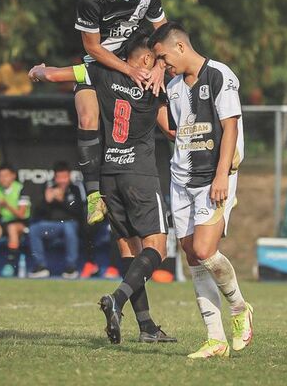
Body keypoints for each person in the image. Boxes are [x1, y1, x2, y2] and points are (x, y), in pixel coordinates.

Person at [29, 33, 176, 344]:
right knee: (156, 250)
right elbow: (172, 130)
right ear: (147, 60)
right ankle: (117, 300)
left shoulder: (100, 71)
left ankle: (147, 326)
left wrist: (39, 70)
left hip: (109, 172)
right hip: (140, 174)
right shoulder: (155, 85)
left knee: (129, 250)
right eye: (160, 59)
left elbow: (55, 75)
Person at [148, 22, 253, 359]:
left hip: (214, 178)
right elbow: (175, 132)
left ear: (179, 47)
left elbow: (230, 127)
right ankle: (215, 338)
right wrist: (155, 97)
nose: (162, 65)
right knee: (192, 257)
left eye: (163, 58)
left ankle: (239, 308)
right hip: (181, 181)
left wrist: (222, 175)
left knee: (206, 250)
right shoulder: (175, 87)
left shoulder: (220, 75)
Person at [73, 0, 167, 226]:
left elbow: (165, 32)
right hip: (99, 66)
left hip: (133, 68)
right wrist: (128, 69)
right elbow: (92, 48)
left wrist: (161, 67)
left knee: (171, 111)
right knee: (87, 116)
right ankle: (93, 197)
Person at [28, 161, 85, 279]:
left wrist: (62, 200)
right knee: (34, 229)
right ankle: (40, 266)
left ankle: (71, 267)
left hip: (69, 224)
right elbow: (37, 212)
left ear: (69, 176)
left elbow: (79, 211)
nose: (62, 181)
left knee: (69, 227)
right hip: (51, 226)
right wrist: (46, 202)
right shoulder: (48, 188)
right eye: (59, 177)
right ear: (55, 177)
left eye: (65, 177)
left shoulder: (75, 189)